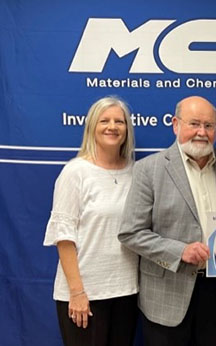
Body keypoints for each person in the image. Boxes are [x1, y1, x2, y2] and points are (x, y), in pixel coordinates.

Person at [118, 96, 216, 346]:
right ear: (176, 124)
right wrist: (180, 252)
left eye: (209, 126)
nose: (202, 132)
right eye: (194, 124)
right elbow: (131, 233)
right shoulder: (149, 169)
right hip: (167, 294)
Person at [43, 96, 138, 345]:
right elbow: (63, 237)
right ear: (92, 127)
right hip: (84, 295)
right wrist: (77, 292)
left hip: (126, 291)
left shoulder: (136, 172)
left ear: (127, 129)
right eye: (104, 120)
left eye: (120, 121)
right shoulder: (75, 172)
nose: (112, 126)